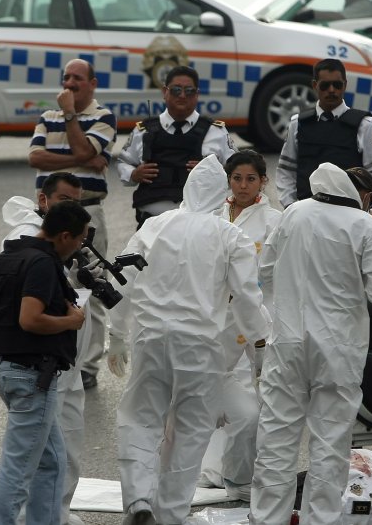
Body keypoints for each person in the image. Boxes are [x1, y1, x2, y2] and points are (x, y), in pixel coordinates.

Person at [110, 155, 270, 525]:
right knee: (190, 433)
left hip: (150, 339)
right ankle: (171, 514)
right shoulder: (231, 235)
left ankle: (138, 502)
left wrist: (116, 334)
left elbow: (122, 280)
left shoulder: (155, 225)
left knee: (140, 419)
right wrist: (261, 350)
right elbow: (247, 299)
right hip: (201, 347)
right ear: (222, 192)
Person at [251, 163, 372, 525]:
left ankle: (268, 518)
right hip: (338, 349)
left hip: (287, 344)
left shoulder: (293, 214)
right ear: (357, 195)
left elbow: (262, 267)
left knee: (276, 440)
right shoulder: (367, 226)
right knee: (330, 444)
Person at [0, 200, 90, 525]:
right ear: (64, 236)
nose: (81, 245)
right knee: (18, 468)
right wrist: (71, 322)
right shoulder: (43, 263)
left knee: (52, 460)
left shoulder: (9, 255)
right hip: (32, 375)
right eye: (81, 238)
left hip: (7, 367)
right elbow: (30, 319)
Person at [196, 150, 282, 501]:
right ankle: (212, 468)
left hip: (260, 313)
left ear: (263, 181)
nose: (243, 185)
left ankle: (252, 471)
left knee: (262, 393)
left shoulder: (276, 220)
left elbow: (276, 267)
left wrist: (244, 281)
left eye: (251, 178)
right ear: (227, 181)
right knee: (215, 392)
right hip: (218, 317)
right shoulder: (212, 215)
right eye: (237, 178)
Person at [27, 58, 116, 389]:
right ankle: (57, 355)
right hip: (47, 215)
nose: (70, 83)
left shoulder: (103, 116)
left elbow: (82, 146)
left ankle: (88, 366)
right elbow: (36, 157)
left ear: (92, 84)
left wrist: (69, 116)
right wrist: (80, 160)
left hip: (86, 213)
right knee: (49, 284)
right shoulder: (46, 116)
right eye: (66, 77)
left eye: (77, 78)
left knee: (90, 284)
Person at [115, 66, 234, 227]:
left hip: (199, 225)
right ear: (165, 92)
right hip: (152, 224)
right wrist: (134, 174)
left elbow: (238, 169)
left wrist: (212, 173)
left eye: (189, 91)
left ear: (197, 94)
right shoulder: (143, 130)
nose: (182, 95)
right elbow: (123, 162)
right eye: (176, 90)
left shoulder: (216, 131)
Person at [275, 59, 372, 207]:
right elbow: (286, 170)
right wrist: (290, 206)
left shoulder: (364, 125)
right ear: (315, 85)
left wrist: (367, 205)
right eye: (325, 85)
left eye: (337, 85)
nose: (331, 90)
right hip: (308, 212)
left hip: (349, 213)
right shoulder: (298, 123)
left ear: (345, 85)